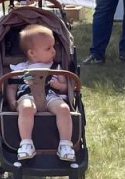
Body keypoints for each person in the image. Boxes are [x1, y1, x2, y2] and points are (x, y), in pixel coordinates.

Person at [7, 24, 76, 162]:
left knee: (64, 109)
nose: (53, 51)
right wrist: (11, 100)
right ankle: (26, 143)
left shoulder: (56, 68)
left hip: (51, 96)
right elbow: (11, 87)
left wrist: (59, 85)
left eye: (53, 47)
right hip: (28, 96)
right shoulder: (21, 68)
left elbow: (66, 87)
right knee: (26, 108)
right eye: (48, 48)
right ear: (32, 53)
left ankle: (65, 144)